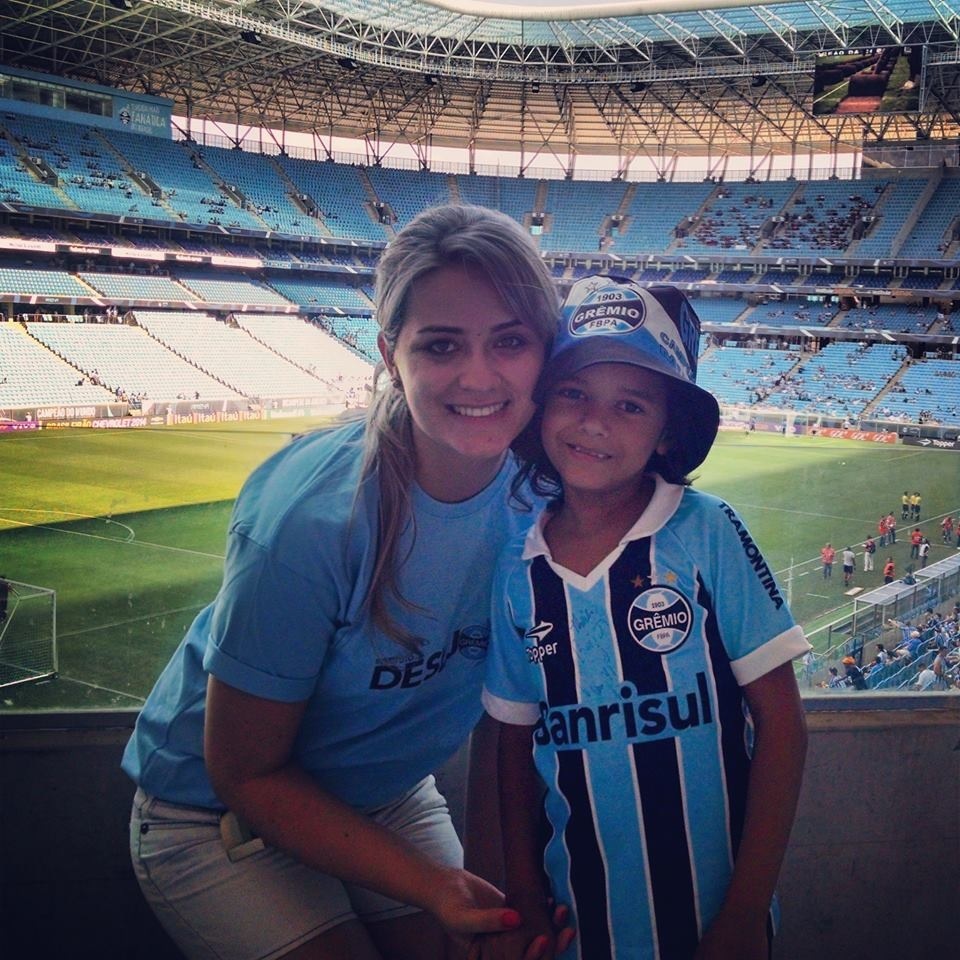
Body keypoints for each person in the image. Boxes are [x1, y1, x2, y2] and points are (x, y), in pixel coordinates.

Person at [120, 204, 568, 960]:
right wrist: (434, 887)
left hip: (382, 795)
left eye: (511, 342)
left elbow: (506, 715)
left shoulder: (545, 492)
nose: (479, 375)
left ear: (545, 351)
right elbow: (245, 770)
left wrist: (509, 882)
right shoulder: (313, 520)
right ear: (391, 355)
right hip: (210, 813)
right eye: (441, 345)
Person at [481, 276, 810, 960]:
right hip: (580, 928)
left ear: (668, 435)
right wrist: (523, 894)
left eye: (630, 405)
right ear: (542, 409)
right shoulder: (518, 569)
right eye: (573, 393)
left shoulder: (708, 532)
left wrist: (748, 910)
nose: (595, 422)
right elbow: (511, 746)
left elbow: (784, 729)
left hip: (719, 926)